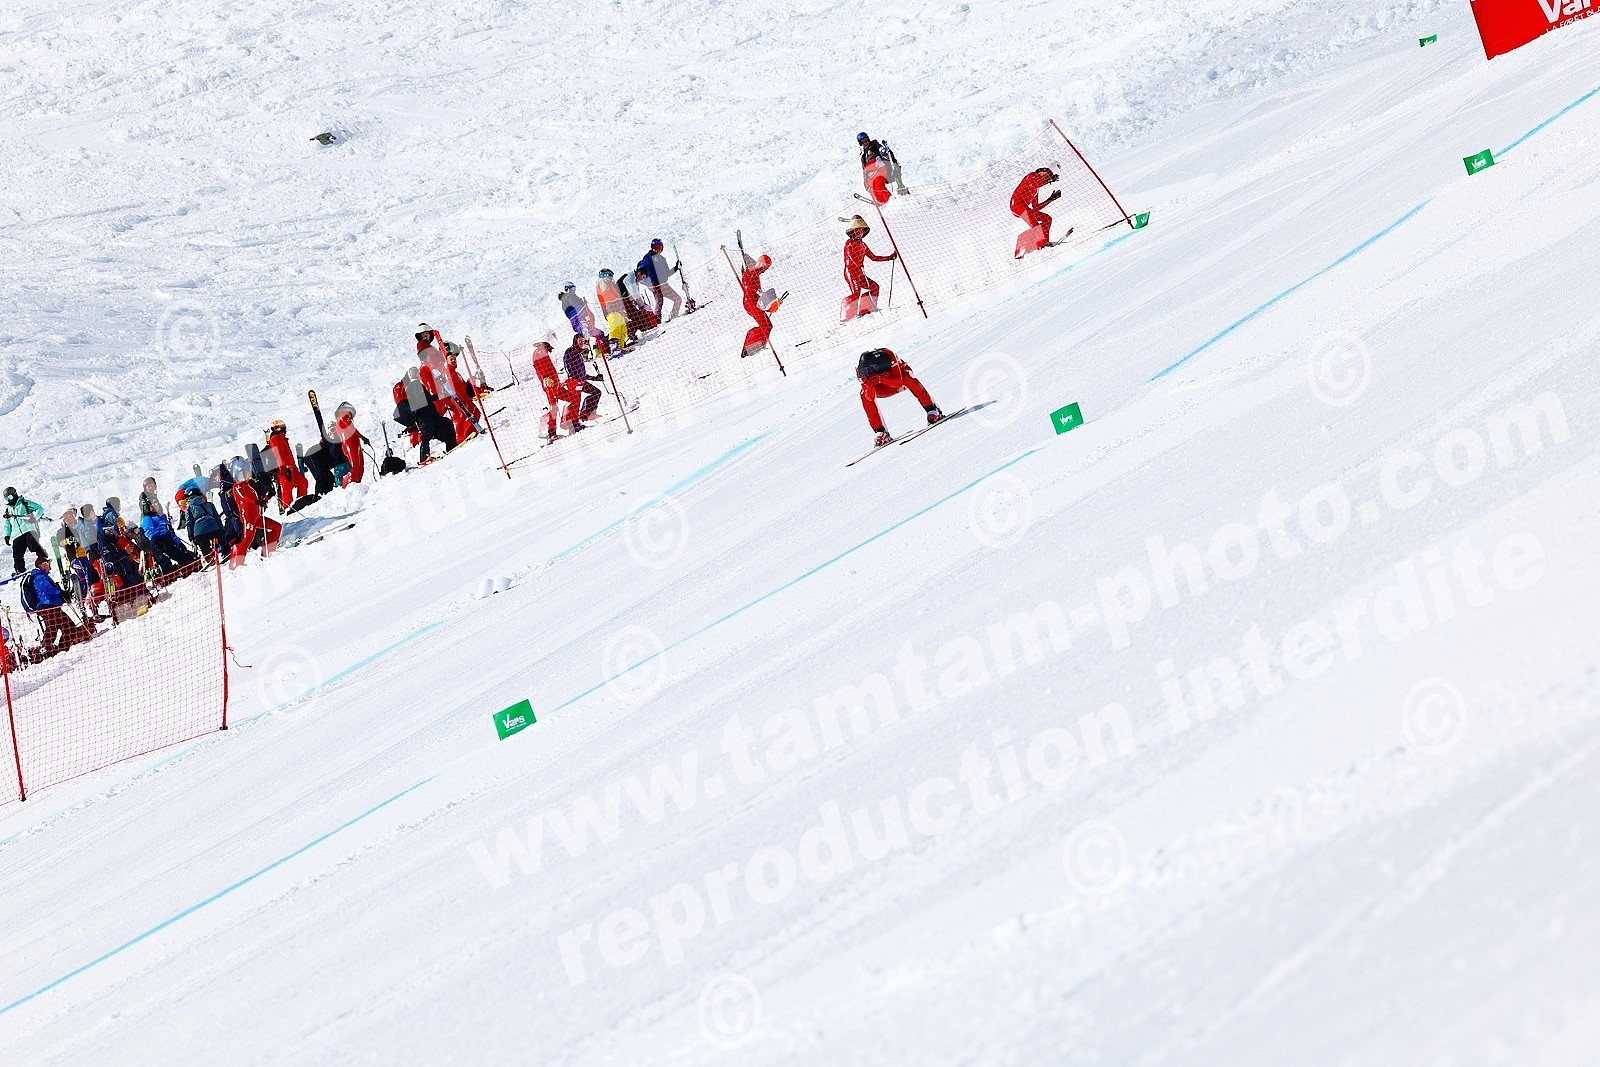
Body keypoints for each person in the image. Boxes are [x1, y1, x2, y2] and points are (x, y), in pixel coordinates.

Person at [856, 348, 943, 447]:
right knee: (863, 394)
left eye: (871, 369)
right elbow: (869, 397)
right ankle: (880, 431)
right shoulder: (861, 373)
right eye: (867, 371)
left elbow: (899, 383)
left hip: (898, 381)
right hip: (882, 388)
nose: (869, 372)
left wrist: (881, 379)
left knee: (908, 378)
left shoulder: (889, 356)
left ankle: (932, 409)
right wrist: (869, 386)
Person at [19, 556, 88, 658]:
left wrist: (61, 596)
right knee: (59, 628)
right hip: (47, 607)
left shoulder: (41, 576)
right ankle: (50, 650)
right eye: (47, 563)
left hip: (50, 606)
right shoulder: (39, 577)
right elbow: (48, 589)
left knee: (62, 627)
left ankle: (58, 650)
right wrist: (60, 593)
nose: (49, 565)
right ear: (42, 565)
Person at [393, 368, 456, 462]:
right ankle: (425, 458)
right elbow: (423, 400)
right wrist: (439, 396)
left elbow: (425, 399)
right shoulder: (414, 385)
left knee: (444, 426)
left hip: (428, 416)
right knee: (429, 434)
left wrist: (439, 396)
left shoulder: (414, 386)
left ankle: (449, 447)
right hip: (425, 417)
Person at [842, 215, 897, 321]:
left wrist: (889, 257)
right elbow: (850, 255)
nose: (860, 232)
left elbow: (873, 257)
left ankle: (866, 309)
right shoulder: (849, 243)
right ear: (853, 231)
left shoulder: (863, 245)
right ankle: (847, 315)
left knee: (874, 287)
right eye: (857, 230)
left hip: (859, 273)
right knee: (856, 293)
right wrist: (858, 264)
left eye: (861, 230)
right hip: (851, 272)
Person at [228, 469, 281, 568]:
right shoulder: (238, 486)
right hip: (248, 518)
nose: (249, 475)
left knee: (276, 527)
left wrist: (267, 497)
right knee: (247, 540)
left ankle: (268, 551)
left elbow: (256, 500)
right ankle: (236, 563)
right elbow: (244, 497)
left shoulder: (249, 486)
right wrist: (257, 501)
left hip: (256, 517)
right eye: (247, 473)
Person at [139, 493, 198, 574]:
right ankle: (168, 573)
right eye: (153, 505)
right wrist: (154, 540)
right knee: (164, 561)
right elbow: (149, 531)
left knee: (183, 555)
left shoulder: (161, 517)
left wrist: (179, 543)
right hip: (157, 541)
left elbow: (170, 532)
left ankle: (190, 567)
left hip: (167, 539)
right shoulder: (147, 518)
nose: (155, 506)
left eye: (156, 504)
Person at [1011, 167, 1062, 258]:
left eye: (1049, 176)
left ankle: (1044, 243)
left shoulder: (1036, 189)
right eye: (1046, 174)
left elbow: (1036, 207)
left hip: (1023, 207)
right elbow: (1034, 183)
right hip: (1017, 205)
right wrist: (1049, 180)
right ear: (1039, 171)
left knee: (1047, 219)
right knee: (1035, 226)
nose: (1047, 177)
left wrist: (1050, 199)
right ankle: (1022, 250)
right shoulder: (1032, 176)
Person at [265, 419, 311, 511]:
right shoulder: (275, 439)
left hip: (291, 467)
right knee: (287, 487)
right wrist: (285, 467)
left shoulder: (282, 438)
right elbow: (278, 455)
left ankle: (301, 502)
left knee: (302, 482)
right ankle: (287, 508)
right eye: (281, 426)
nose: (283, 428)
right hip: (283, 469)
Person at [636, 239, 685, 321]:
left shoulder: (662, 259)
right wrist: (654, 281)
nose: (657, 249)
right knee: (659, 300)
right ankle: (656, 320)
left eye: (659, 247)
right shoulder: (647, 258)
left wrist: (676, 267)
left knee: (678, 299)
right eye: (655, 247)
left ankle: (674, 317)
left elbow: (667, 273)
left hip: (663, 284)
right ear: (652, 247)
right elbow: (647, 270)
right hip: (654, 284)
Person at [562, 334, 605, 426]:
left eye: (583, 341)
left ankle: (585, 415)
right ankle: (569, 421)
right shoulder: (570, 351)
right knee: (575, 402)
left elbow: (581, 373)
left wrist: (594, 378)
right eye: (580, 341)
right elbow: (568, 366)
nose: (582, 343)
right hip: (574, 382)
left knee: (596, 392)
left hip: (580, 381)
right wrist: (573, 378)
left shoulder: (578, 353)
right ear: (575, 341)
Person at [740, 252, 776, 358]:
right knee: (765, 326)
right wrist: (758, 291)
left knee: (768, 325)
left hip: (756, 301)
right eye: (766, 267)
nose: (765, 270)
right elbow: (746, 283)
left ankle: (759, 345)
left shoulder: (755, 272)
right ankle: (749, 348)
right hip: (751, 303)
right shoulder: (751, 273)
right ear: (762, 264)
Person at [3, 486, 47, 574]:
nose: (9, 500)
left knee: (33, 545)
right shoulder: (8, 510)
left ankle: (43, 559)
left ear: (15, 494)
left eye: (10, 497)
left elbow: (39, 508)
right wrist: (7, 535)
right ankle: (19, 569)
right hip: (16, 534)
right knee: (17, 553)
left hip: (28, 529)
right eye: (6, 498)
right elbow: (7, 524)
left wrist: (34, 518)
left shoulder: (24, 503)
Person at [858, 132, 909, 200]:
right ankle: (881, 200)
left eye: (866, 140)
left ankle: (890, 197)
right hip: (872, 173)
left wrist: (883, 151)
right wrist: (865, 181)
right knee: (872, 185)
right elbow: (864, 170)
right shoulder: (864, 157)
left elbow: (880, 148)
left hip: (881, 168)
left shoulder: (874, 144)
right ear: (861, 143)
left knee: (878, 182)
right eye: (863, 142)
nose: (865, 143)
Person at [180, 486, 226, 561]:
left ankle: (209, 558)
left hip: (199, 532)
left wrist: (191, 537)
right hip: (213, 527)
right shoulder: (209, 504)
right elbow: (217, 519)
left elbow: (189, 523)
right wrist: (221, 530)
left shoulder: (189, 508)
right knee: (222, 540)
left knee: (204, 547)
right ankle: (225, 550)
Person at [532, 341, 565, 442]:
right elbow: (540, 369)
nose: (549, 351)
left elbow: (549, 369)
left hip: (555, 385)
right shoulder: (539, 353)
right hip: (550, 386)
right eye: (549, 349)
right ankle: (551, 432)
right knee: (554, 407)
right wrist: (545, 378)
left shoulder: (542, 353)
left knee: (570, 398)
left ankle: (568, 421)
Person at [334, 402, 367, 485]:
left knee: (359, 465)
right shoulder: (342, 416)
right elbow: (351, 428)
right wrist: (362, 437)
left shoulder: (340, 419)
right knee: (356, 465)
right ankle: (350, 483)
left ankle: (356, 483)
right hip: (350, 444)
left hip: (353, 444)